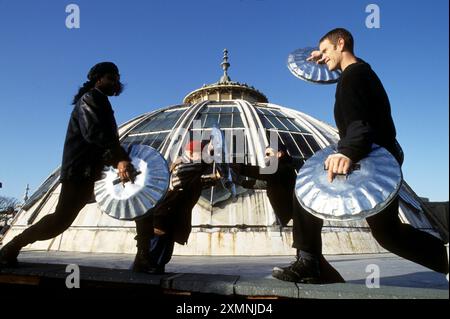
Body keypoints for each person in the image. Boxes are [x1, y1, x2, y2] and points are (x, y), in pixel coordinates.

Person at [272, 28, 449, 283]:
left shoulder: (352, 78)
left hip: (368, 156)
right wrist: (321, 57)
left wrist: (348, 152)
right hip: (381, 156)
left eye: (325, 50)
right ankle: (444, 259)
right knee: (388, 233)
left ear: (341, 43)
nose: (322, 57)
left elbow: (359, 121)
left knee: (306, 189)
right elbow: (362, 115)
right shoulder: (361, 72)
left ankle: (310, 262)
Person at [0, 62, 135, 267]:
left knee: (62, 220)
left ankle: (145, 256)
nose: (115, 82)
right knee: (60, 220)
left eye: (117, 78)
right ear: (98, 79)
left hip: (89, 170)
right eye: (111, 78)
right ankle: (11, 247)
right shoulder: (90, 99)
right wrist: (120, 159)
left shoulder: (99, 100)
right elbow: (96, 133)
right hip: (80, 171)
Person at [233, 143, 345, 283]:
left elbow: (265, 173)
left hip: (303, 214)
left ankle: (308, 268)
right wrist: (239, 182)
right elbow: (261, 183)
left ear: (279, 154)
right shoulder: (279, 171)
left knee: (309, 251)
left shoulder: (283, 168)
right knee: (313, 254)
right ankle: (315, 273)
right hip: (299, 215)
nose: (265, 157)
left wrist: (240, 168)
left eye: (268, 154)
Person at [132, 139, 220, 274]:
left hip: (168, 221)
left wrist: (214, 178)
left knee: (159, 259)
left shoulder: (188, 170)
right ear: (191, 153)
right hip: (162, 221)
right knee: (152, 260)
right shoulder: (183, 166)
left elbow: (196, 182)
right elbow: (197, 170)